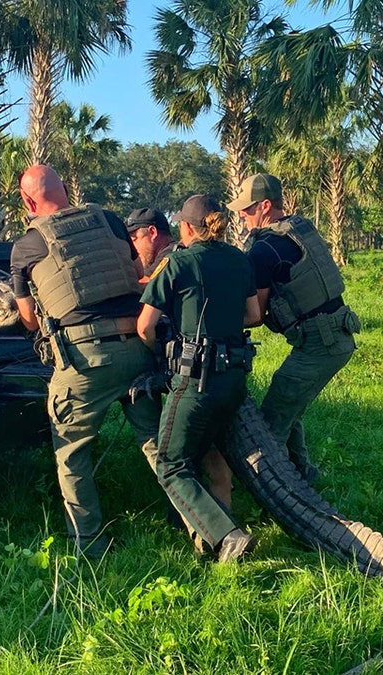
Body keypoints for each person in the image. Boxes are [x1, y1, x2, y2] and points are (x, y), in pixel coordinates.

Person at [9, 165, 160, 558]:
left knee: (72, 453)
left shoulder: (26, 246)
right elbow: (136, 271)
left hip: (85, 361)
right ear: (66, 190)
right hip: (139, 350)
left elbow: (27, 319)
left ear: (27, 201)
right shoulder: (108, 220)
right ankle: (207, 527)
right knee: (158, 445)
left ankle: (90, 546)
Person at [138, 195, 263, 562]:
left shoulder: (177, 262)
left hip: (196, 381)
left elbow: (145, 326)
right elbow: (253, 315)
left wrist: (166, 346)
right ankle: (214, 539)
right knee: (213, 452)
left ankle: (227, 536)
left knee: (169, 462)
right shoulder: (240, 260)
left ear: (187, 227)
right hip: (235, 377)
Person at [229, 173, 360, 483]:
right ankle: (303, 474)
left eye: (246, 209)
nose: (241, 216)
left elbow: (255, 315)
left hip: (320, 343)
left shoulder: (264, 250)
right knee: (289, 403)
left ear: (264, 206)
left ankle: (276, 490)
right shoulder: (298, 228)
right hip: (336, 333)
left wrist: (217, 323)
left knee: (272, 422)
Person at [126, 207, 179, 281]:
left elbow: (144, 283)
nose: (132, 248)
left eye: (134, 240)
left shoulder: (171, 255)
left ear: (152, 232)